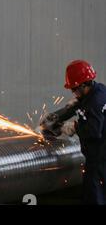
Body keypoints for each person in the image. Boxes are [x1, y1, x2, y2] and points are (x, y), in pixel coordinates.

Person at [44, 60, 106, 204]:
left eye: (74, 88)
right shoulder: (98, 91)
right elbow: (79, 107)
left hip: (99, 160)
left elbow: (94, 131)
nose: (73, 92)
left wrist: (73, 127)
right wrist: (57, 116)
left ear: (83, 85)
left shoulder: (95, 103)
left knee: (95, 197)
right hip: (99, 158)